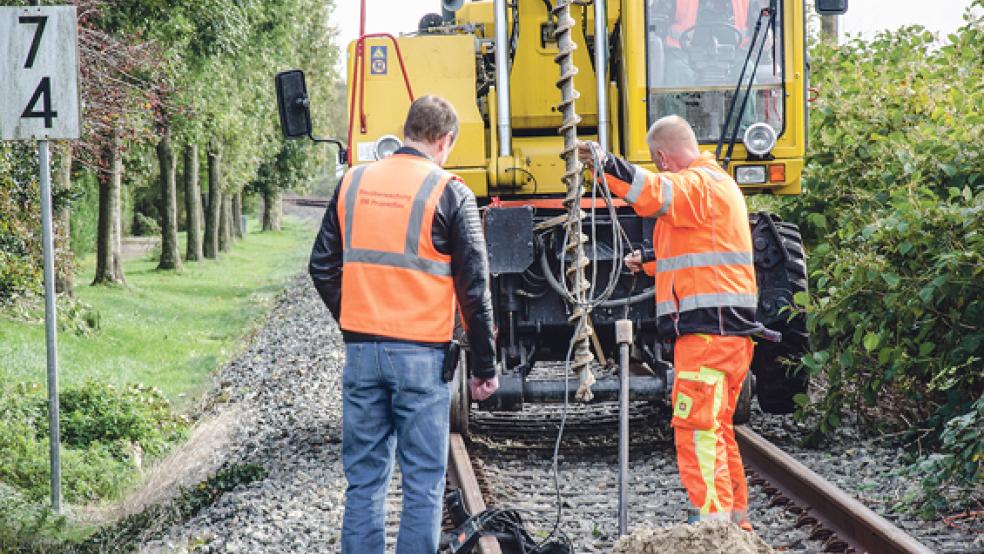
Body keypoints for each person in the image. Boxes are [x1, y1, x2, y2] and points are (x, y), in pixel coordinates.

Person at [309, 95, 499, 553]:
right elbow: (474, 288)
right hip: (420, 355)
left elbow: (322, 266)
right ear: (444, 140)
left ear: (408, 129)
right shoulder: (449, 191)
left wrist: (355, 319)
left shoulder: (353, 182)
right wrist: (485, 367)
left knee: (365, 479)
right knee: (422, 482)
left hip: (362, 353)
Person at [578, 115, 764, 531]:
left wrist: (607, 164)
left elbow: (654, 193)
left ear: (663, 157)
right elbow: (699, 249)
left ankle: (712, 528)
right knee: (716, 429)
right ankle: (736, 526)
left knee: (696, 428)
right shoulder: (719, 187)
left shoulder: (697, 184)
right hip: (729, 336)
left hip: (707, 336)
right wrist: (648, 263)